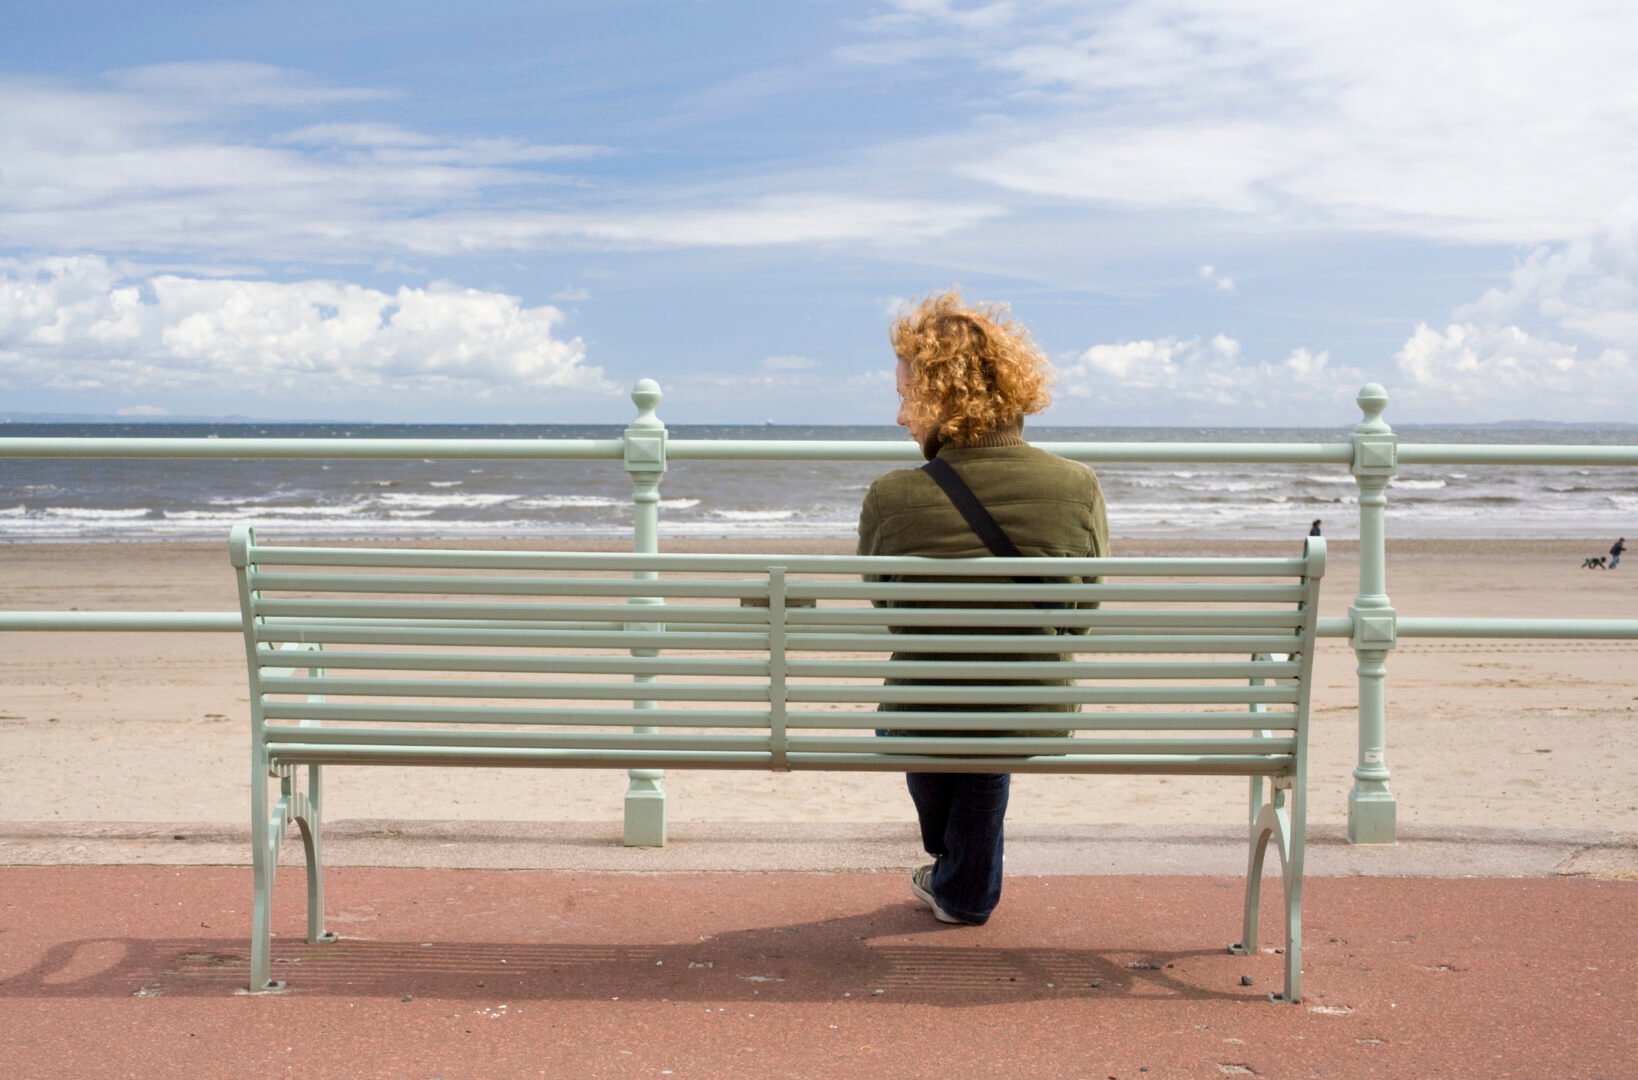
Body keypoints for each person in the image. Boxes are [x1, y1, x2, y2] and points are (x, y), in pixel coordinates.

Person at [857, 290, 1109, 926]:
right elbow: (1077, 614)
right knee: (992, 721)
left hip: (923, 709)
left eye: (904, 396)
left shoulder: (890, 496)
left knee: (939, 707)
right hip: (1032, 707)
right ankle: (958, 879)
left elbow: (895, 612)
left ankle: (961, 882)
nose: (897, 417)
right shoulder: (1076, 486)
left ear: (942, 397)